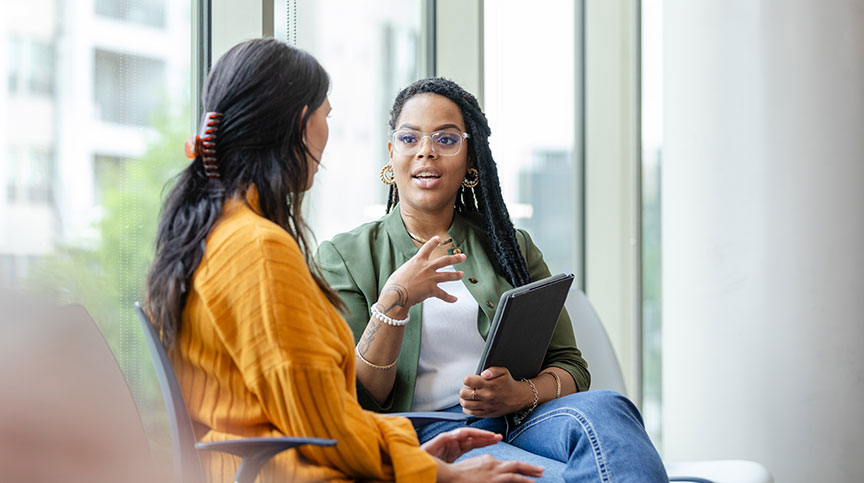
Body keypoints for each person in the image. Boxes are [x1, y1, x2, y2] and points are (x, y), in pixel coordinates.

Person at [144, 39, 545, 483]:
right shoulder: (258, 249)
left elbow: (320, 416)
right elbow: (324, 427)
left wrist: (414, 456)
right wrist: (441, 474)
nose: (426, 151)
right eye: (327, 115)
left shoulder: (217, 233)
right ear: (303, 124)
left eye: (445, 139)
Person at [316, 77, 669, 482]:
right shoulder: (344, 257)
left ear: (471, 160)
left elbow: (572, 367)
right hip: (434, 433)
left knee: (610, 408)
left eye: (446, 139)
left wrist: (519, 394)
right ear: (391, 153)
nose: (426, 151)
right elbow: (361, 398)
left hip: (525, 417)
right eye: (410, 138)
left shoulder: (510, 246)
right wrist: (397, 299)